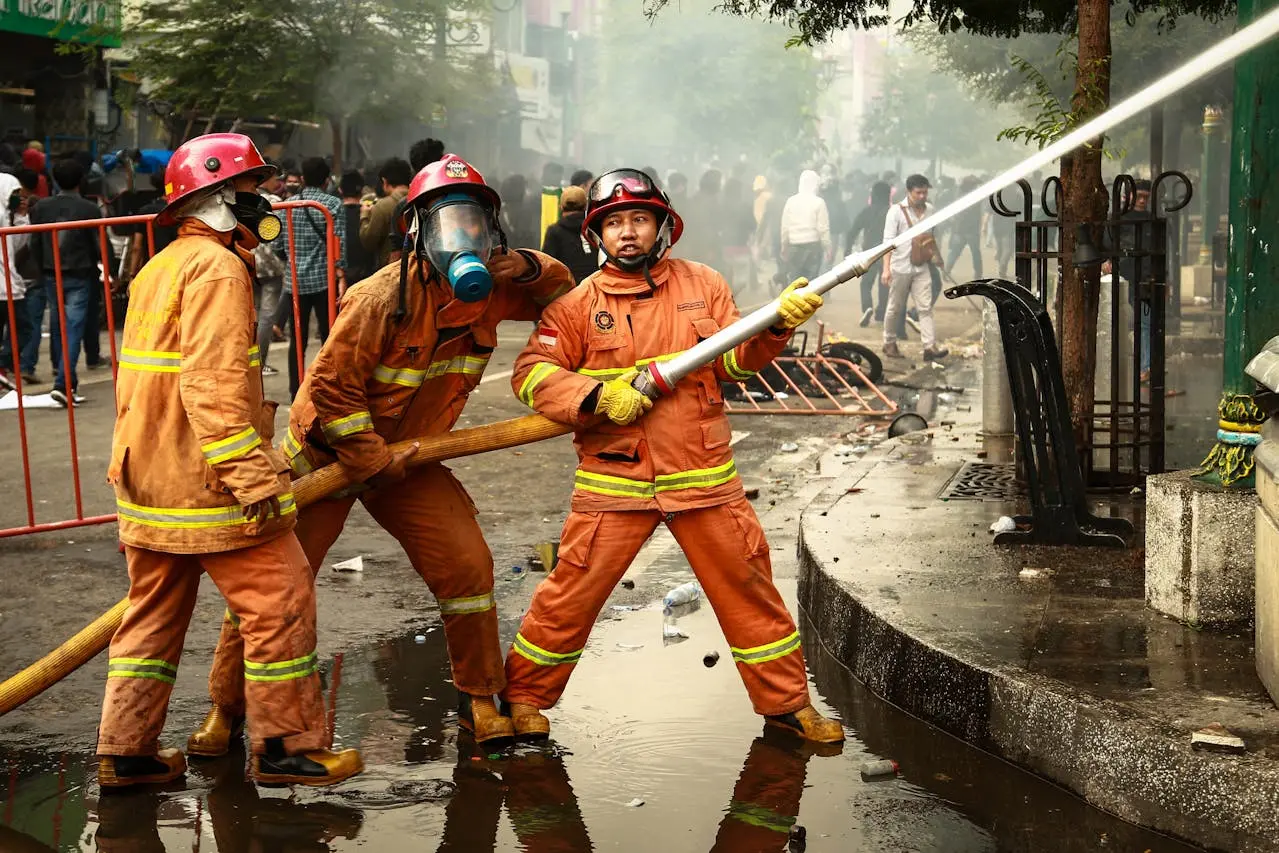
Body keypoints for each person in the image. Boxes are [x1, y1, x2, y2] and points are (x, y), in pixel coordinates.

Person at [185, 154, 575, 756]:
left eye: (475, 223)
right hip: (326, 457)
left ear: (493, 231)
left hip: (409, 460)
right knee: (273, 588)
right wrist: (368, 459)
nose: (462, 237)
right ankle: (224, 711)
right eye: (448, 224)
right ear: (417, 231)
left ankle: (479, 698)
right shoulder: (376, 298)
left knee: (468, 568)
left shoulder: (494, 289)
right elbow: (331, 389)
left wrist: (522, 264)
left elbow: (561, 292)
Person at [501, 168, 845, 745]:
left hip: (703, 477)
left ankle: (787, 705)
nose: (628, 233)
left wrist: (777, 325)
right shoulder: (575, 308)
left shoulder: (704, 286)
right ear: (596, 236)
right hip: (615, 480)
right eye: (614, 223)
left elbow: (736, 363)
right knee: (568, 595)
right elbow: (530, 374)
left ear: (662, 226)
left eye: (639, 219)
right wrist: (594, 396)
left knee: (749, 588)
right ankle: (525, 701)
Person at [96, 132, 362, 790]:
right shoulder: (218, 270)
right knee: (280, 598)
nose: (265, 203)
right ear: (218, 200)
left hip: (146, 479)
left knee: (151, 616)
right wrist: (255, 478)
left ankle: (126, 753)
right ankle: (285, 747)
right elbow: (210, 388)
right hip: (208, 484)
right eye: (252, 193)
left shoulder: (161, 266)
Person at [24, 158, 112, 406]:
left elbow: (34, 242)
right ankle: (63, 383)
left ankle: (63, 375)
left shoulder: (41, 208)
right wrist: (107, 268)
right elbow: (98, 244)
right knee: (72, 327)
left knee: (59, 324)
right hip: (80, 273)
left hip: (52, 273)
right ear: (81, 181)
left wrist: (41, 269)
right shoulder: (89, 209)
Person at [277, 156, 347, 398]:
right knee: (329, 338)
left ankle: (296, 389)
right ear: (327, 179)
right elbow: (339, 244)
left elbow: (278, 244)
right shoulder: (333, 205)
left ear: (303, 179)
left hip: (294, 282)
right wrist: (341, 274)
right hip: (324, 280)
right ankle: (329, 387)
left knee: (298, 338)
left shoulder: (287, 205)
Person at [882, 174, 948, 361]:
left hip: (921, 267)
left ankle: (929, 346)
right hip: (900, 267)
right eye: (918, 193)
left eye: (925, 192)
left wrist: (937, 258)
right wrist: (886, 269)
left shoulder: (931, 210)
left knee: (925, 307)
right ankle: (889, 342)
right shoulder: (895, 212)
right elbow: (887, 243)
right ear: (909, 192)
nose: (922, 196)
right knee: (895, 307)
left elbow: (931, 238)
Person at [0, 170, 32, 390]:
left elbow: (17, 244)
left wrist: (21, 216)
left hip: (8, 282)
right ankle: (3, 364)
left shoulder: (5, 214)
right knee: (24, 327)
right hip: (5, 285)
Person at [847, 181, 892, 327]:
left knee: (866, 283)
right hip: (887, 253)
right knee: (884, 284)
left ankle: (867, 307)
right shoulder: (892, 212)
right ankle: (881, 312)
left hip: (869, 253)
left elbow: (852, 231)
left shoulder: (867, 211)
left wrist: (847, 250)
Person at [779, 170, 831, 284]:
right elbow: (823, 228)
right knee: (811, 283)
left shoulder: (791, 201)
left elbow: (785, 227)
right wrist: (827, 247)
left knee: (794, 281)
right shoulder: (819, 202)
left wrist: (784, 246)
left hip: (794, 247)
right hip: (813, 247)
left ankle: (794, 301)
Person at [360, 157, 411, 270]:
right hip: (418, 269)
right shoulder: (419, 200)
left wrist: (364, 216)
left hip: (390, 270)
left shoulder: (382, 206)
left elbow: (369, 241)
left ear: (384, 181)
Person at [541, 186, 597, 284]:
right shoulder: (596, 227)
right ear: (585, 206)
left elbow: (546, 266)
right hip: (597, 289)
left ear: (561, 207)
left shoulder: (554, 231)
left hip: (568, 290)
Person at [946, 175, 984, 280]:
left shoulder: (959, 194)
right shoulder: (976, 196)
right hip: (971, 230)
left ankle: (946, 271)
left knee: (955, 251)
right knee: (975, 252)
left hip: (960, 229)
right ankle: (978, 274)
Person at [340, 170, 373, 284]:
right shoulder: (370, 212)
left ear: (340, 190)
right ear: (362, 191)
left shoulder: (331, 214)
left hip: (339, 276)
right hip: (366, 275)